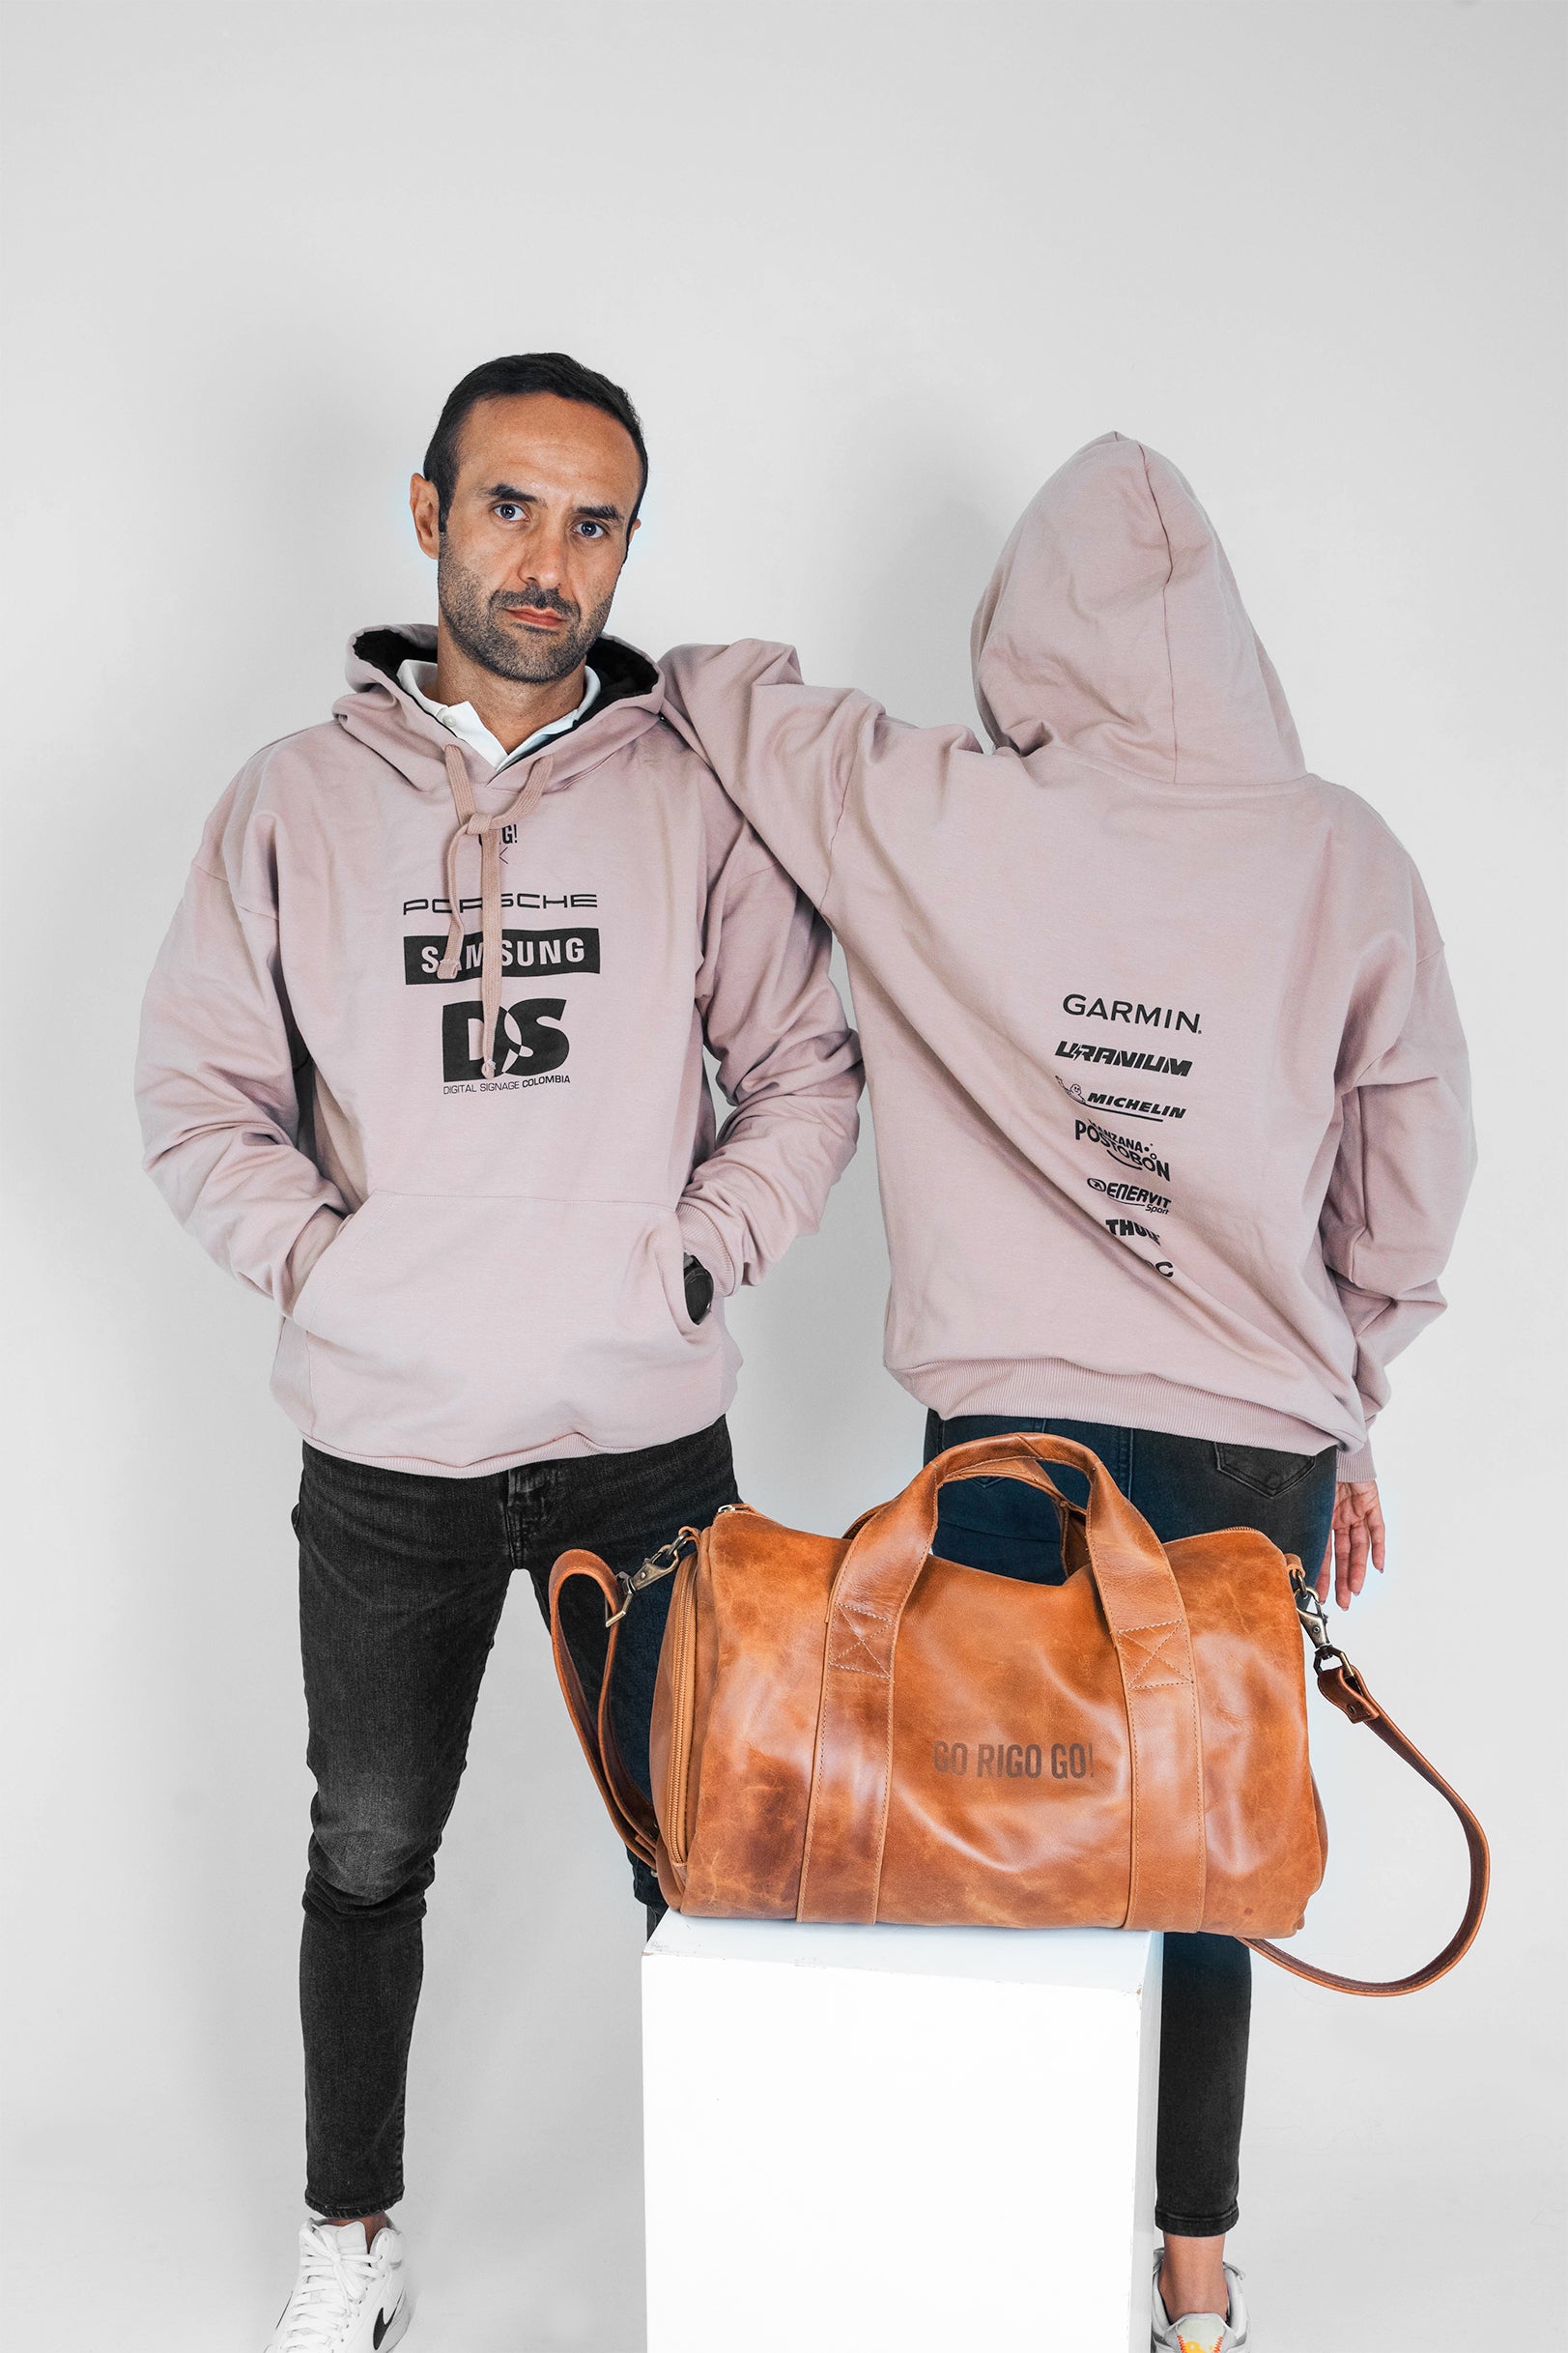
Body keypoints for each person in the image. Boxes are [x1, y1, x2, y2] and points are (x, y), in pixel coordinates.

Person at [659, 432, 1474, 2353]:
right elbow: (1411, 1182)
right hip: (1255, 1449)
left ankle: (993, 2259)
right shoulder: (1343, 855)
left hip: (1006, 1444)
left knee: (987, 1833)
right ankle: (1191, 2286)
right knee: (1197, 1859)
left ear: (1019, 633)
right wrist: (1345, 1389)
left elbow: (717, 691)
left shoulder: (924, 811)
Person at [135, 351, 862, 2353]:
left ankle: (748, 2254)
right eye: (512, 507)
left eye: (594, 522)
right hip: (391, 1453)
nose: (549, 559)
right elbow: (197, 1097)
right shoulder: (291, 803)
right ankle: (350, 2236)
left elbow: (804, 1071)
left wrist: (699, 1259)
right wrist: (332, 1273)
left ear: (628, 545)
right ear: (429, 513)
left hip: (645, 1436)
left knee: (708, 1854)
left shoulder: (690, 796)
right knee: (368, 1851)